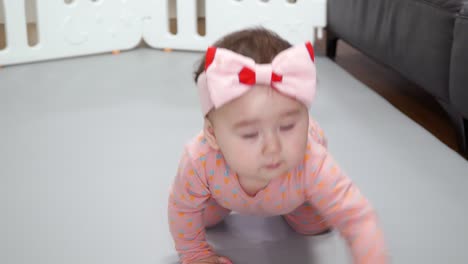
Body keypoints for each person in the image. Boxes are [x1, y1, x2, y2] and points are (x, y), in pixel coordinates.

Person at [167, 28, 387, 264]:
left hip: (296, 195)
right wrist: (195, 255)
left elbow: (357, 217)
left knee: (314, 226)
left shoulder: (310, 160)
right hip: (222, 194)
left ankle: (298, 202)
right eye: (250, 134)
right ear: (212, 135)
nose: (272, 147)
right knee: (205, 219)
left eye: (288, 126)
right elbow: (182, 208)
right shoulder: (199, 160)